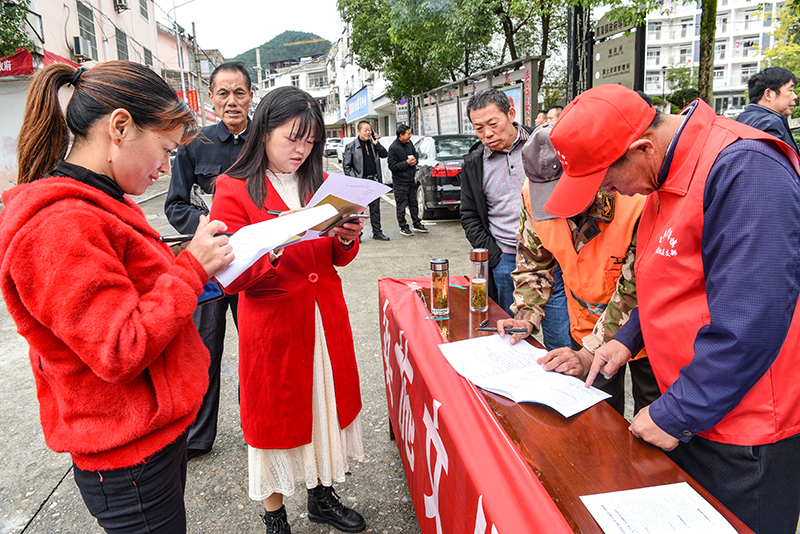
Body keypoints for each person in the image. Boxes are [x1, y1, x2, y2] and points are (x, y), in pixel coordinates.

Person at [545, 83, 800, 534]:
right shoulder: (663, 172)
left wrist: (677, 412)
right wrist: (626, 340)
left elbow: (753, 321)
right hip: (695, 406)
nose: (610, 191)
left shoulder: (745, 169)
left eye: (608, 180)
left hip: (745, 430)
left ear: (642, 148)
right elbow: (665, 277)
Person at [0, 61, 234, 533]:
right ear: (120, 127)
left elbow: (139, 289)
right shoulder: (61, 225)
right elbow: (119, 347)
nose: (165, 168)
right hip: (128, 456)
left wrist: (200, 264)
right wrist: (191, 268)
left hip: (153, 433)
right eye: (165, 150)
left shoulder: (103, 201)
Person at [210, 86, 366, 534]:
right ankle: (275, 516)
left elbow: (335, 258)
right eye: (293, 138)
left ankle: (322, 495)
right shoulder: (234, 188)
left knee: (323, 404)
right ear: (264, 132)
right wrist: (275, 242)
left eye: (310, 141)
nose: (302, 150)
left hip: (323, 316)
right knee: (275, 419)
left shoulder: (319, 185)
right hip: (275, 323)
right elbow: (230, 275)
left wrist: (346, 236)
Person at [497, 122, 659, 416]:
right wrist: (526, 313)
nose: (556, 207)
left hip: (647, 332)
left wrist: (589, 353)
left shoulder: (635, 198)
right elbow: (533, 262)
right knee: (597, 416)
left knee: (652, 417)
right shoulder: (532, 196)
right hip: (584, 325)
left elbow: (637, 289)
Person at [164, 61, 254, 459]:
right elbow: (175, 204)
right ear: (212, 98)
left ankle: (257, 426)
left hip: (252, 263)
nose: (232, 101)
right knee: (204, 349)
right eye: (223, 93)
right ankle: (198, 438)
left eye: (239, 93)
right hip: (210, 267)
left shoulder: (264, 141)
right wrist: (209, 227)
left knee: (255, 346)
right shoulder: (194, 143)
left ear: (250, 96)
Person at [460, 88, 571, 350]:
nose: (487, 134)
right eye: (478, 128)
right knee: (512, 335)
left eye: (493, 124)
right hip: (506, 259)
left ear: (511, 114)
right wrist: (495, 255)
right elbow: (469, 216)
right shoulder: (474, 163)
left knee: (560, 339)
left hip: (554, 256)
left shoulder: (545, 144)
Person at [343, 121, 390, 241]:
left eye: (370, 130)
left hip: (373, 181)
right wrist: (356, 181)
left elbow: (385, 154)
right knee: (358, 212)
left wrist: (377, 143)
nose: (368, 132)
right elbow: (347, 167)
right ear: (358, 131)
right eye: (365, 130)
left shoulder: (373, 144)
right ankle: (357, 235)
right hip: (360, 184)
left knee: (375, 210)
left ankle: (377, 232)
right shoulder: (351, 146)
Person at [737, 66, 798, 154]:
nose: (795, 96)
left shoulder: (740, 119)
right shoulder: (771, 123)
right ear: (768, 94)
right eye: (790, 90)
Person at [388, 124, 427, 236]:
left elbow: (415, 154)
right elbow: (392, 166)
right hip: (400, 182)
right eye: (408, 134)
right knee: (401, 206)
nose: (410, 136)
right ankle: (403, 226)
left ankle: (416, 223)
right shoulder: (393, 148)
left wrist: (415, 160)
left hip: (411, 180)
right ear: (401, 135)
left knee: (413, 203)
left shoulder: (409, 143)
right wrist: (406, 163)